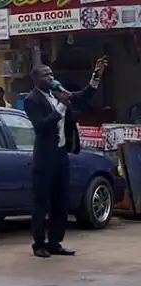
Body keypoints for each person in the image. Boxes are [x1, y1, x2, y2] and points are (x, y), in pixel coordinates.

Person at [24, 56, 107, 258]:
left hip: (61, 154)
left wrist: (96, 76)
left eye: (51, 73)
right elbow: (42, 126)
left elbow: (82, 97)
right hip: (44, 157)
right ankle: (39, 244)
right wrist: (61, 107)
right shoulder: (31, 100)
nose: (50, 77)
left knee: (60, 201)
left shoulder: (57, 93)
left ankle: (55, 242)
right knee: (41, 202)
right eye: (45, 75)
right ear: (36, 80)